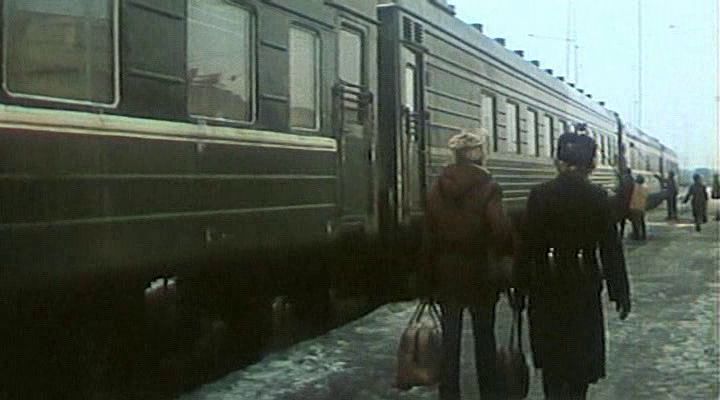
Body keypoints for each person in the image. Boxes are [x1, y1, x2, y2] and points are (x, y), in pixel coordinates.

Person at [514, 132, 631, 400]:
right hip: (583, 283)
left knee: (552, 360)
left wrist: (519, 288)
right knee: (581, 356)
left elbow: (527, 246)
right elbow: (611, 250)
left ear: (559, 161)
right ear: (591, 164)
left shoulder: (540, 195)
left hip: (546, 283)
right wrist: (620, 292)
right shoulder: (598, 196)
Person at [421, 131, 512, 400]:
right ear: (478, 154)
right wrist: (505, 258)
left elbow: (428, 237)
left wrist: (427, 278)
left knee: (450, 340)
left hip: (447, 270)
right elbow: (500, 230)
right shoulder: (489, 187)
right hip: (480, 271)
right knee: (484, 337)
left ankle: (449, 394)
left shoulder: (437, 188)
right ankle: (489, 393)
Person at [628, 175, 648, 240]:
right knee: (642, 222)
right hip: (642, 208)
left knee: (635, 223)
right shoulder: (645, 188)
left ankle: (636, 236)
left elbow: (632, 197)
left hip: (635, 208)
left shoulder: (635, 187)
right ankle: (644, 235)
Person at [617, 168, 635, 238]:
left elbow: (620, 189)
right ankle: (635, 232)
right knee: (633, 218)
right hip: (631, 201)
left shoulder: (624, 179)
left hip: (624, 202)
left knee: (622, 218)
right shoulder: (632, 180)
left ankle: (621, 232)